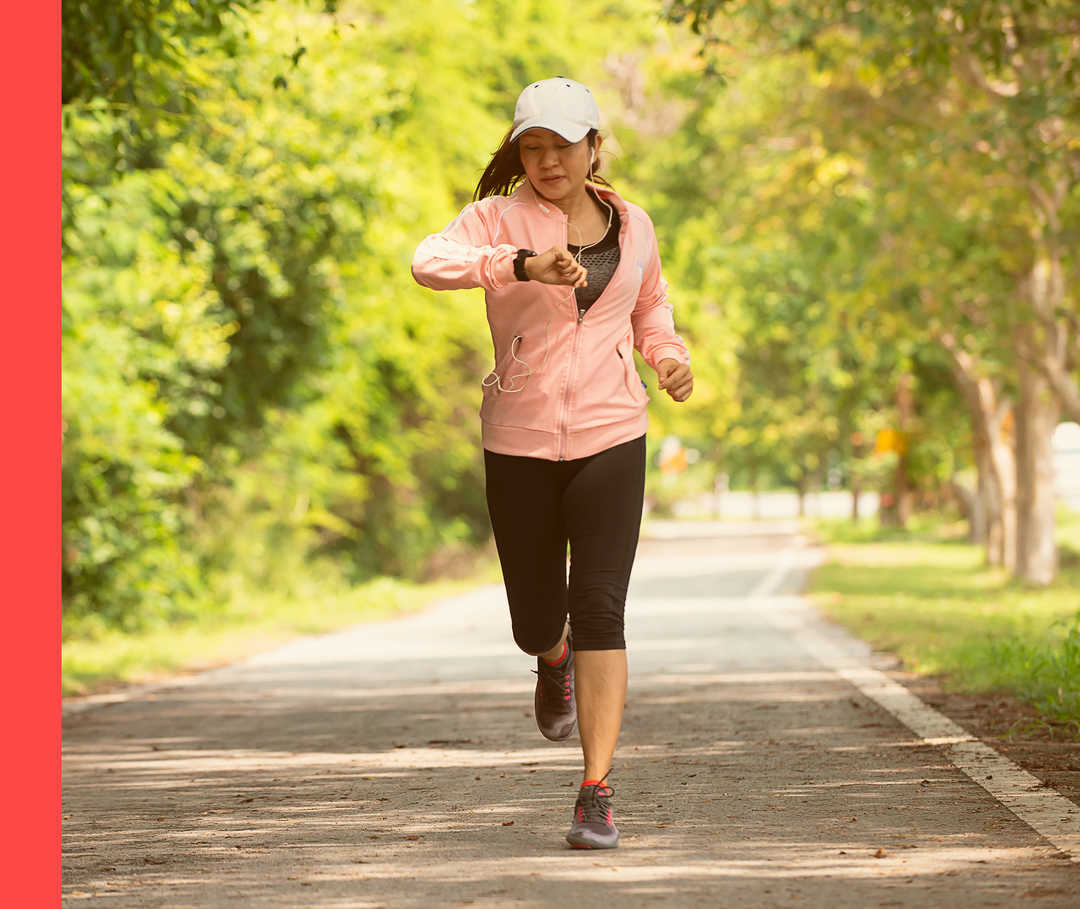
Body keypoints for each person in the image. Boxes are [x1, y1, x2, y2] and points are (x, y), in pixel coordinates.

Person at [410, 76, 693, 850]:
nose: (546, 161)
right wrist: (519, 266)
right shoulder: (495, 219)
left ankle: (595, 789)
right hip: (520, 439)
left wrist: (667, 357)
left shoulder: (633, 224)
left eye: (561, 146)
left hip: (613, 433)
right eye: (531, 147)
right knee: (536, 615)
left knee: (601, 605)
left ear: (593, 146)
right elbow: (427, 261)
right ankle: (550, 655)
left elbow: (650, 307)